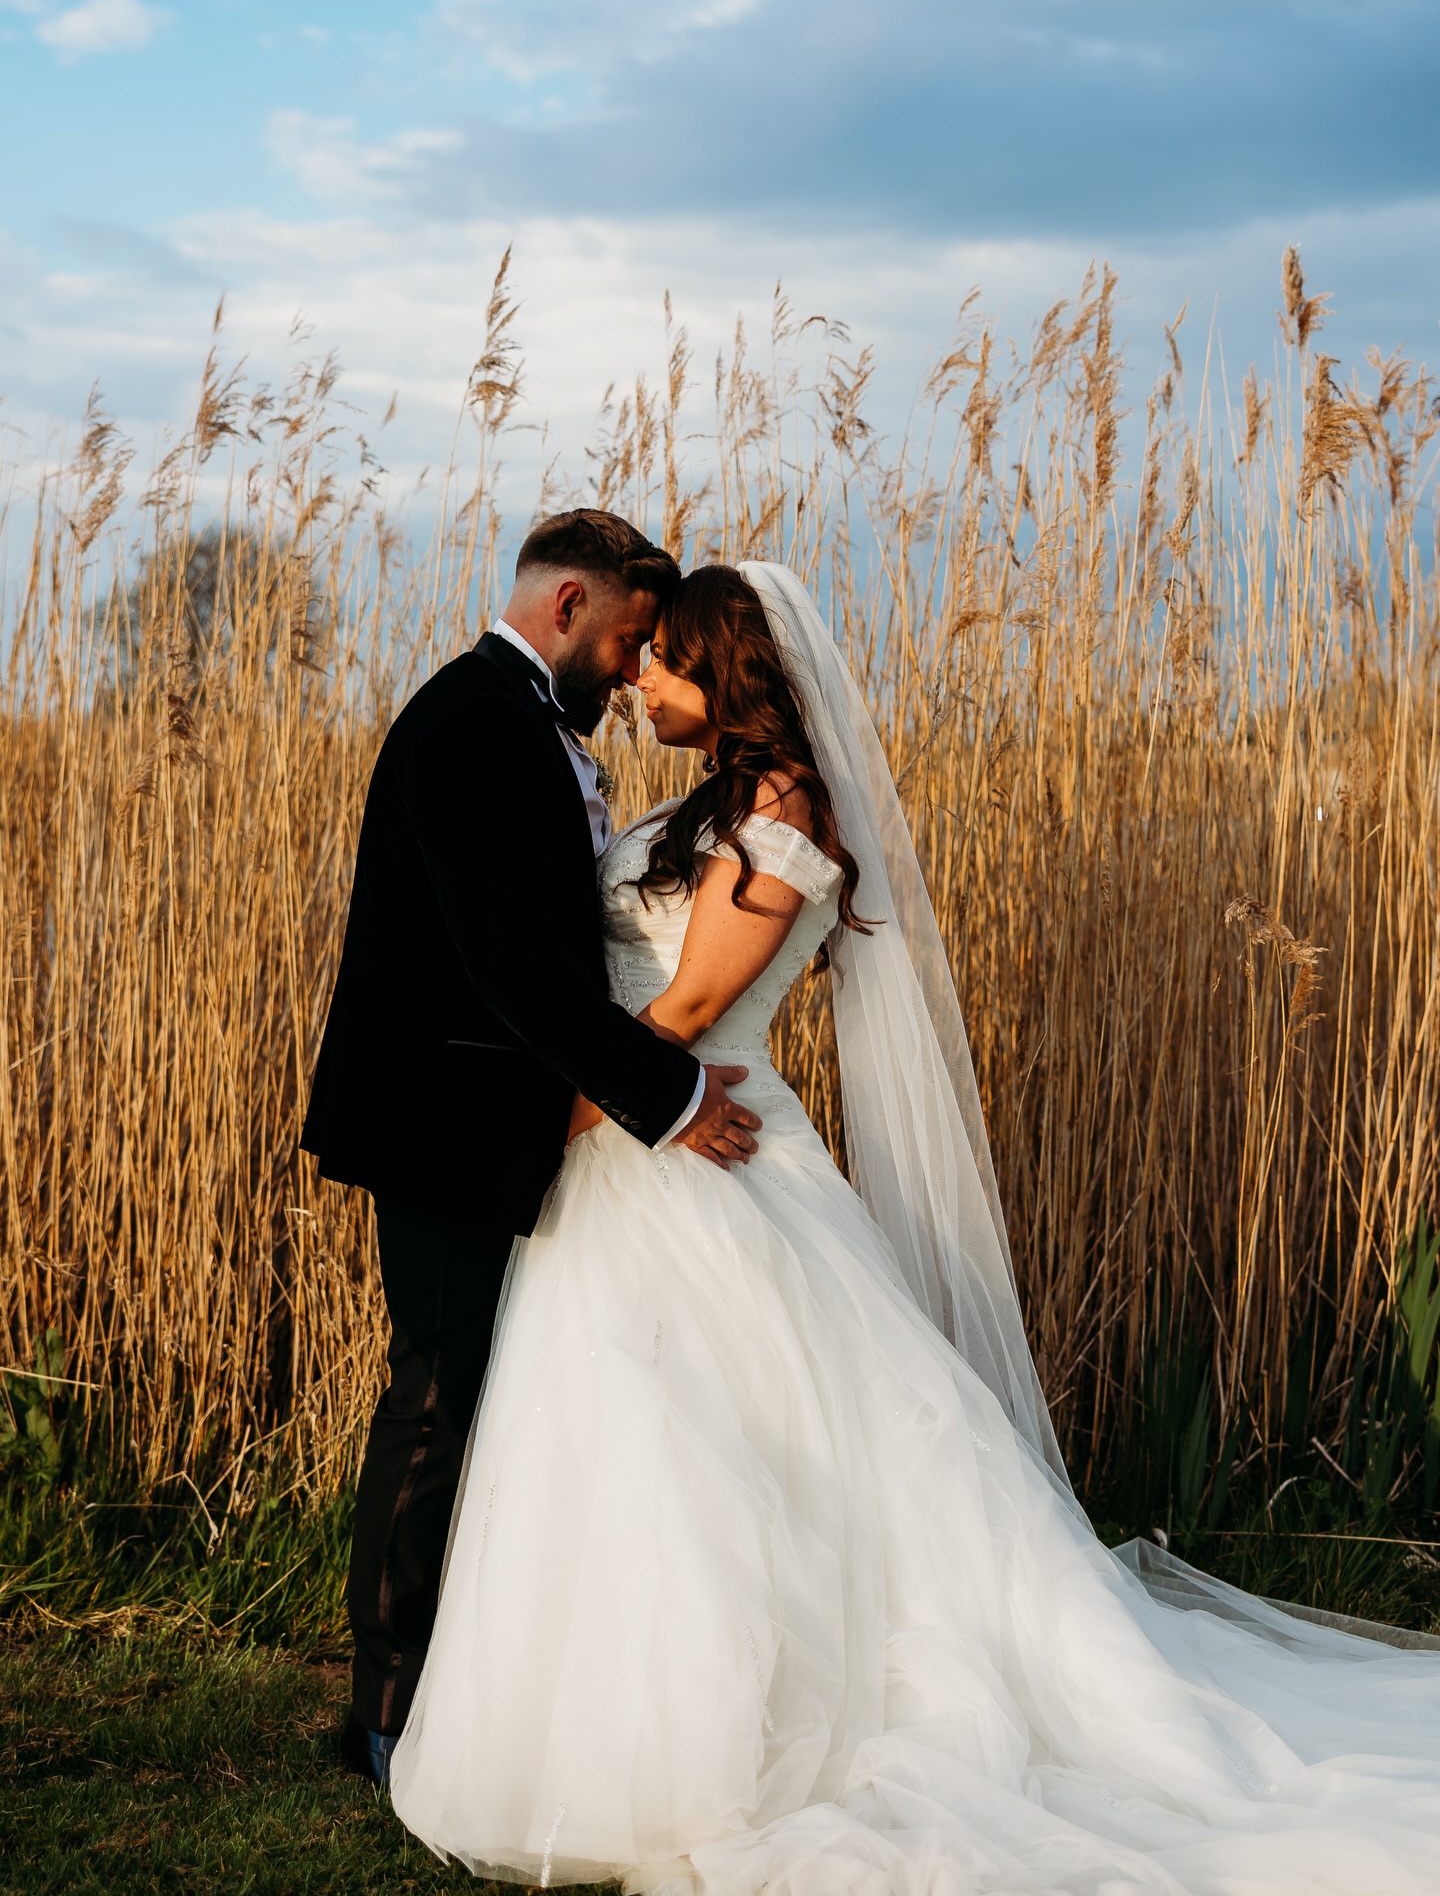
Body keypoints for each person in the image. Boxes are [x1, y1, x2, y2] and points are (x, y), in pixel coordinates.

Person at [391, 561, 1440, 1893]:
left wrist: (564, 1130)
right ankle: (586, 1726)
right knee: (629, 1439)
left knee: (702, 1447)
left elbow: (687, 1011)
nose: (641, 679)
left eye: (664, 660)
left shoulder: (778, 818)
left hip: (693, 1147)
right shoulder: (715, 804)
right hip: (648, 1154)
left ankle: (706, 1742)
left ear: (727, 675)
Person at [300, 512, 763, 1785]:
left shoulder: (520, 723)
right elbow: (512, 970)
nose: (630, 670)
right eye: (623, 641)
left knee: (477, 1396)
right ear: (567, 608)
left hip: (493, 1116)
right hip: (444, 1119)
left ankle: (463, 1680)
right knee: (438, 1395)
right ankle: (384, 1711)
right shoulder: (472, 725)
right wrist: (664, 1097)